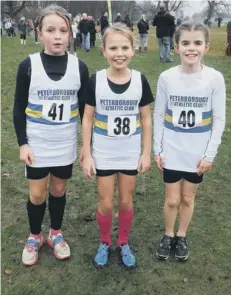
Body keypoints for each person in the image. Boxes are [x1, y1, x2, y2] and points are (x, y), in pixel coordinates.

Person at [13, 4, 89, 266]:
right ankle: (35, 236)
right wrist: (23, 143)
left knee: (58, 190)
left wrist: (86, 146)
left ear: (70, 34)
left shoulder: (79, 68)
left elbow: (85, 113)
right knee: (37, 195)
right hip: (37, 144)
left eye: (63, 31)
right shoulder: (28, 66)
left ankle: (55, 233)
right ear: (40, 32)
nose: (57, 36)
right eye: (51, 30)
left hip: (64, 144)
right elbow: (17, 108)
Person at [82, 23, 154, 269]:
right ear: (103, 51)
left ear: (133, 50)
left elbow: (146, 118)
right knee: (106, 203)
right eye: (113, 48)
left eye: (124, 47)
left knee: (125, 200)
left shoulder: (140, 81)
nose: (119, 53)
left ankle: (123, 242)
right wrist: (87, 153)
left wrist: (146, 153)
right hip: (103, 154)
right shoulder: (96, 81)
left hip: (129, 153)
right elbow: (88, 119)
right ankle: (104, 242)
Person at [153, 21, 226, 262]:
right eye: (185, 43)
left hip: (197, 152)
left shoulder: (214, 78)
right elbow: (158, 115)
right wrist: (158, 149)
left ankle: (181, 236)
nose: (191, 48)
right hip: (172, 149)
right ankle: (167, 235)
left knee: (187, 198)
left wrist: (209, 155)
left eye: (197, 43)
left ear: (206, 46)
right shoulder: (166, 77)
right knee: (171, 199)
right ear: (176, 47)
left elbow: (219, 119)